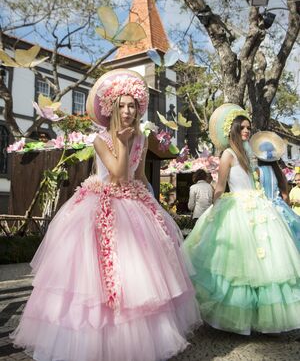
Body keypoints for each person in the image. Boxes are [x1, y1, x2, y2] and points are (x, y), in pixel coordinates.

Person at [11, 69, 200, 361]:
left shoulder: (142, 138)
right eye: (121, 105)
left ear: (139, 108)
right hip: (99, 204)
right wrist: (122, 144)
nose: (127, 111)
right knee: (89, 276)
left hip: (131, 204)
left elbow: (136, 177)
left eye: (132, 105)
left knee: (138, 279)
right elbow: (117, 174)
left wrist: (151, 205)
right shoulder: (100, 139)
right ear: (111, 107)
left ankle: (133, 343)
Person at [184, 103, 300, 335]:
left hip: (259, 206)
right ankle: (235, 317)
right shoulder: (228, 154)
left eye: (248, 127)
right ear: (233, 129)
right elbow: (220, 185)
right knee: (237, 264)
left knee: (266, 264)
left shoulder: (251, 153)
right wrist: (214, 210)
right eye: (243, 127)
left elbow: (257, 181)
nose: (247, 130)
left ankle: (260, 317)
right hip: (236, 206)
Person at [250, 131, 300, 251]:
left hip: (262, 209)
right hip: (280, 208)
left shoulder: (257, 172)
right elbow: (285, 196)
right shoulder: (279, 172)